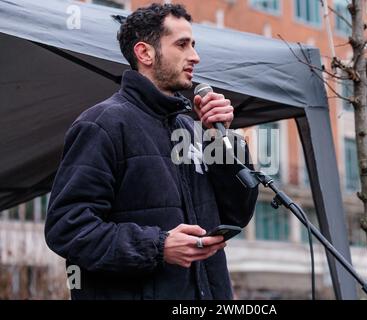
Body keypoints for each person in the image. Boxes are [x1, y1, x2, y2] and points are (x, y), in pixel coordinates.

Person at [44, 3, 258, 300]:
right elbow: (67, 228)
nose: (195, 57)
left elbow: (237, 213)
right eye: (182, 45)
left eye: (193, 45)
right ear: (145, 53)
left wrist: (220, 137)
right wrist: (158, 246)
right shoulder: (102, 125)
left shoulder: (193, 129)